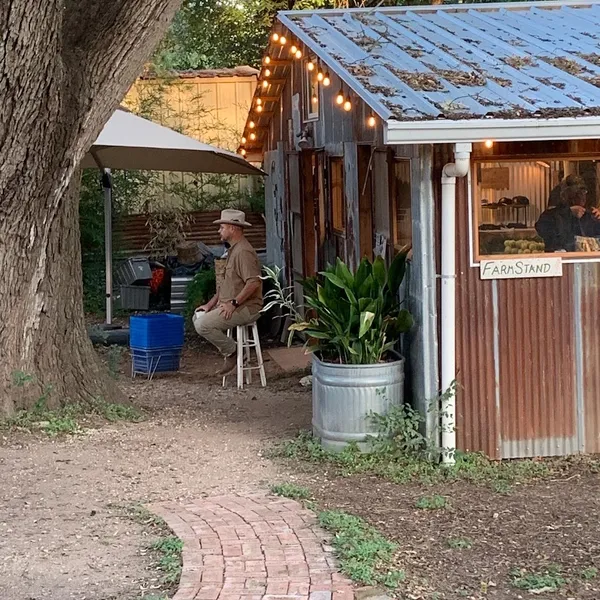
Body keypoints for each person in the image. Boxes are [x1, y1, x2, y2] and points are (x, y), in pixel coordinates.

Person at [193, 209, 263, 374]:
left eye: (222, 227)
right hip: (231, 304)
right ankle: (232, 351)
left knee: (202, 325)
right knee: (198, 315)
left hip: (246, 308)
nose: (219, 231)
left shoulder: (243, 252)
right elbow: (225, 284)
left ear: (233, 228)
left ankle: (232, 352)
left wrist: (234, 303)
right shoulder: (233, 249)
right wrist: (209, 305)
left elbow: (253, 282)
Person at [536, 183, 600, 252]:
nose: (583, 197)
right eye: (578, 194)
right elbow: (543, 231)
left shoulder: (589, 214)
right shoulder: (551, 214)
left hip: (585, 259)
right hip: (562, 257)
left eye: (584, 193)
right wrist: (567, 213)